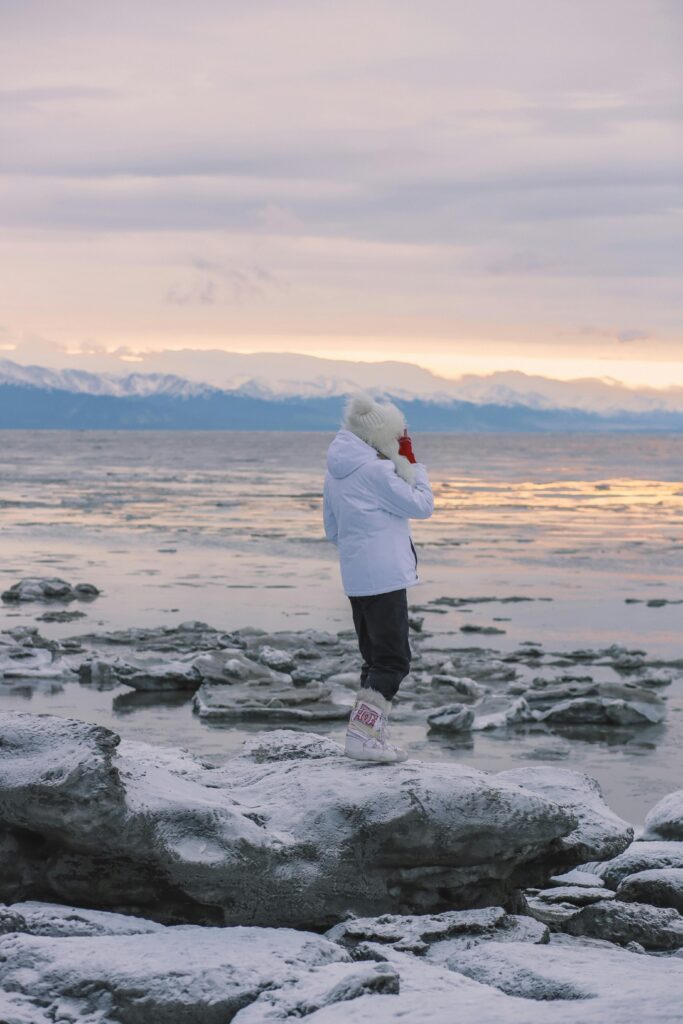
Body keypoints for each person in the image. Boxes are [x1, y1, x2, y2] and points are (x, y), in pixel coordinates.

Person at [322, 392, 434, 763]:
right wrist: (413, 463)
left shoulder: (337, 470)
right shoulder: (377, 470)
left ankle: (367, 734)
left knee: (374, 660)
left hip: (356, 576)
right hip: (385, 575)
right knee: (393, 661)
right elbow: (422, 506)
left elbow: (332, 529)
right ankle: (362, 738)